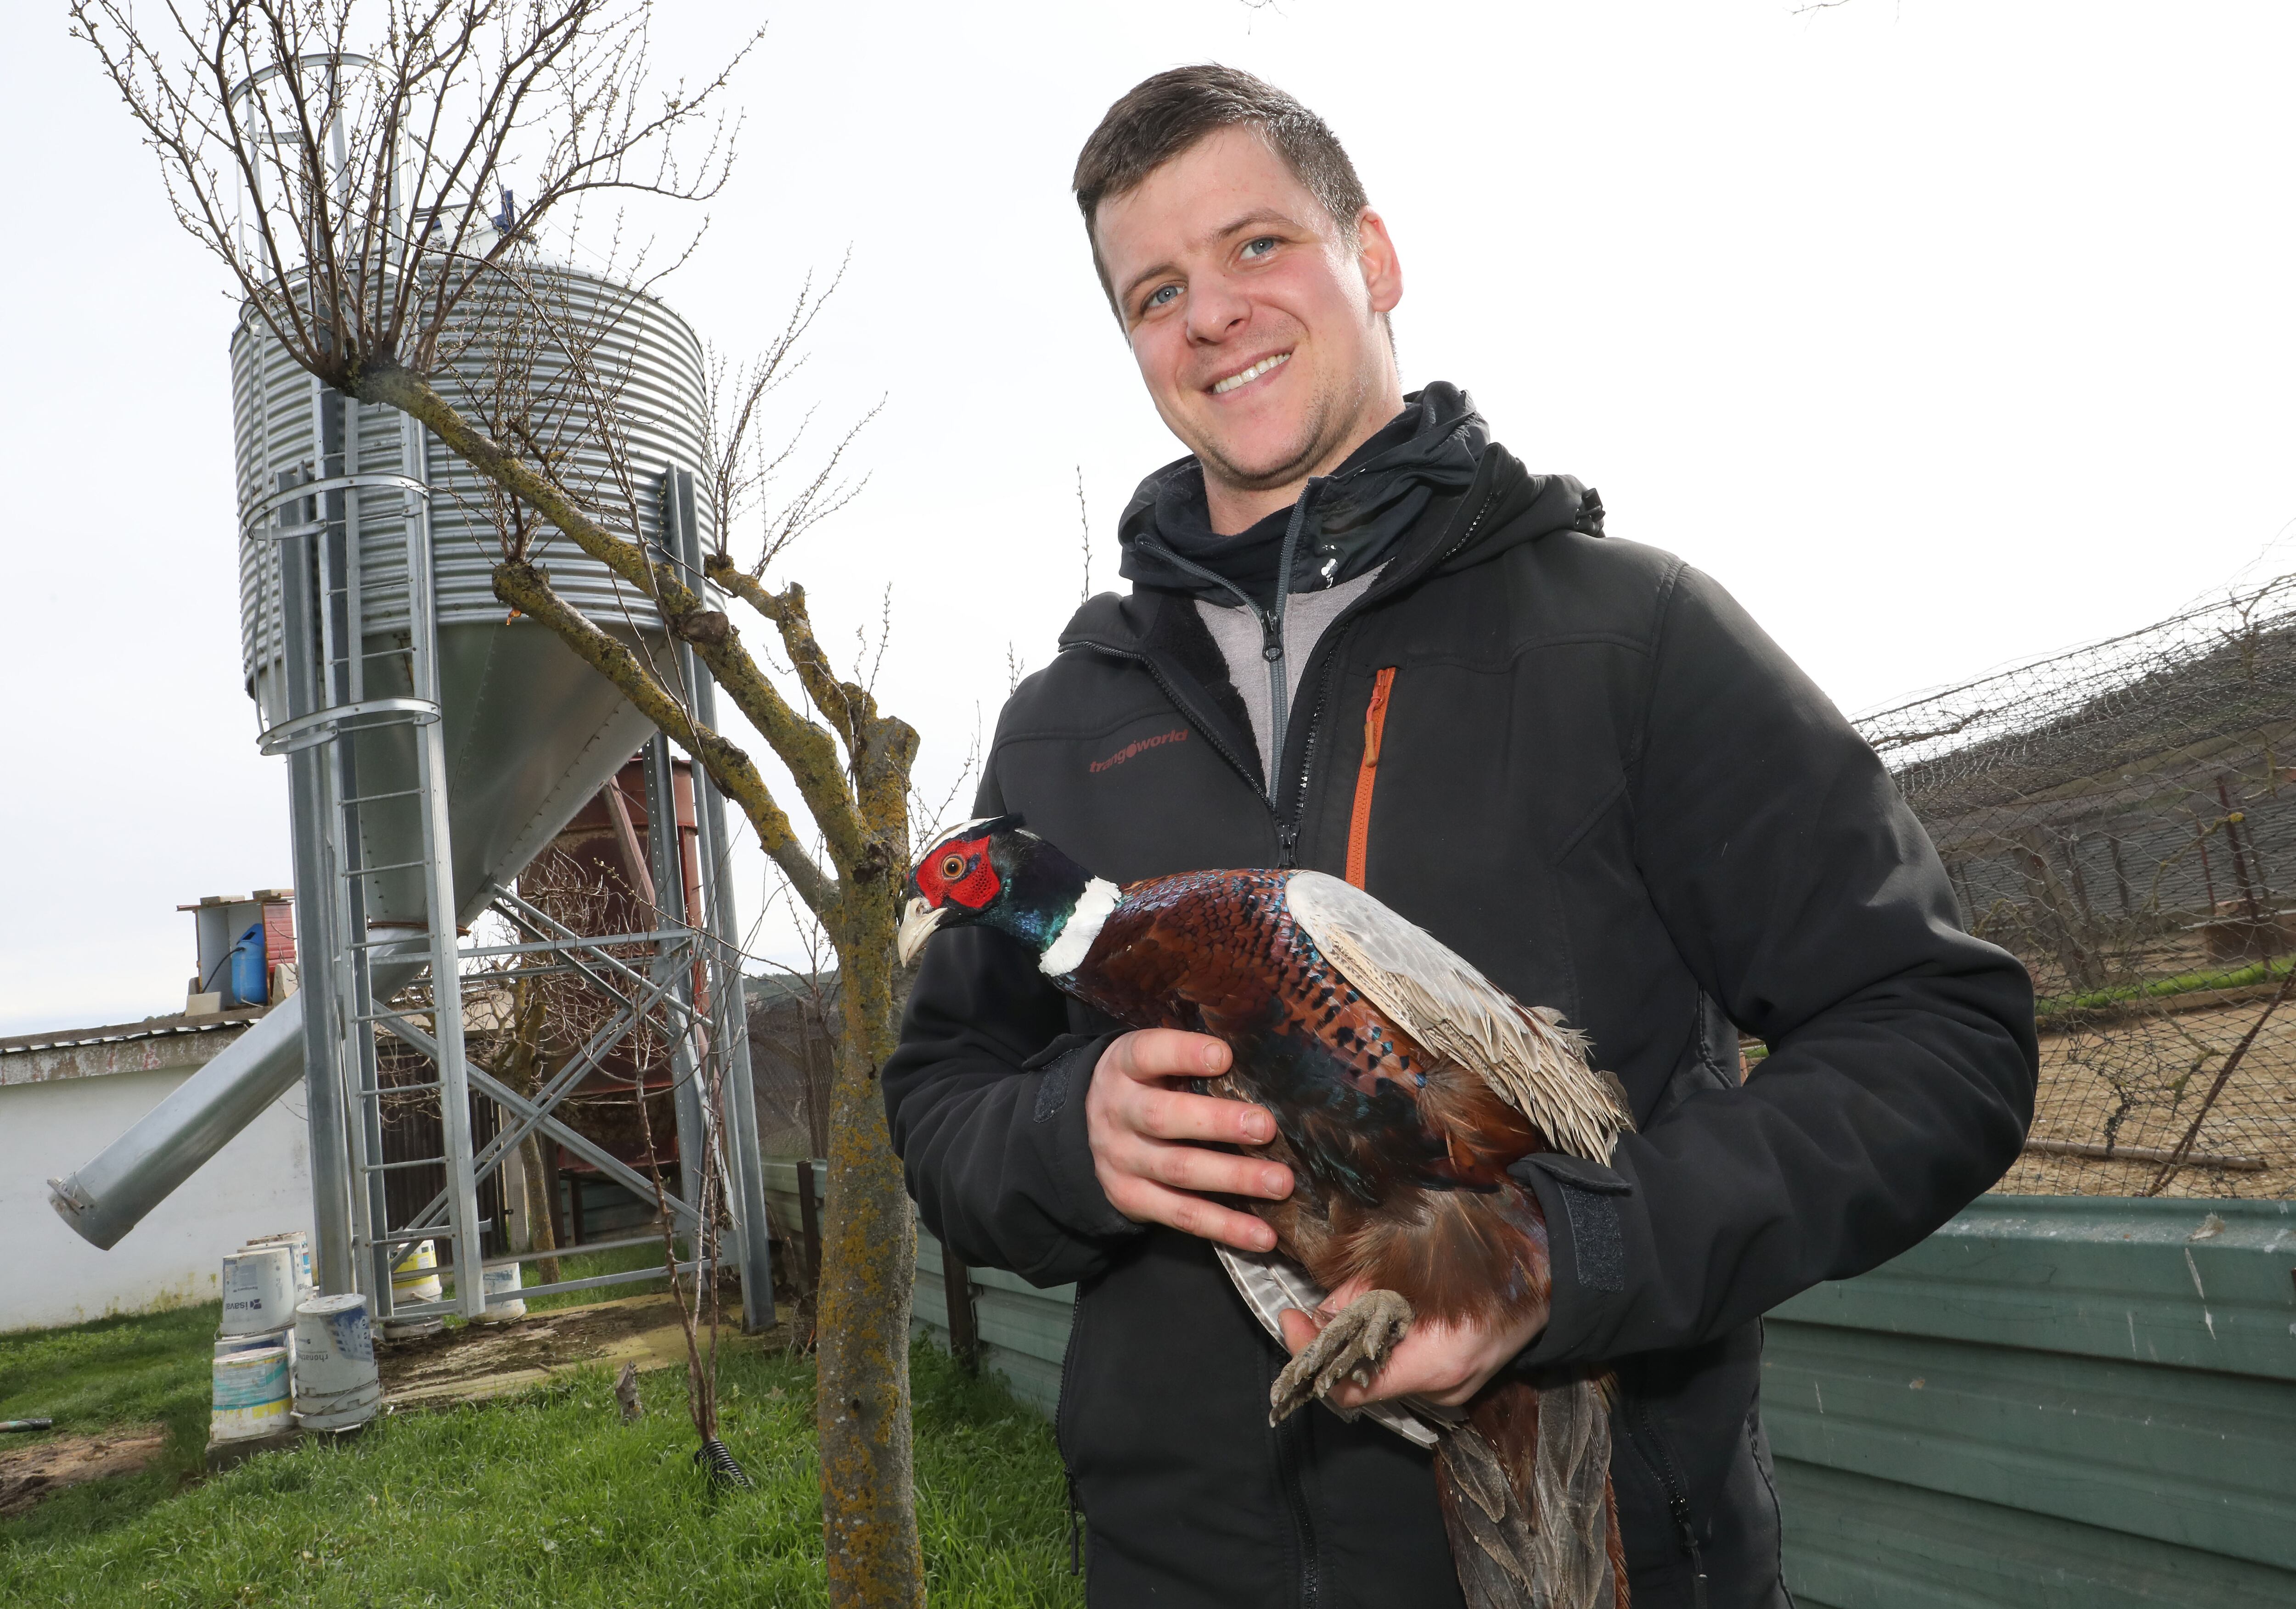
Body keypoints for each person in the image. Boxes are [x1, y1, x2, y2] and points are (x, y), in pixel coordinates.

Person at [883, 64, 2037, 1609]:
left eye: (1256, 247)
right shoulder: (1064, 722)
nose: (1211, 313)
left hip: (1599, 1547)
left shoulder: (1630, 635)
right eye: (1154, 289)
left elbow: (1940, 1037)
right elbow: (943, 1100)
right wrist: (1065, 1135)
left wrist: (1565, 1259)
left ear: (1375, 256)